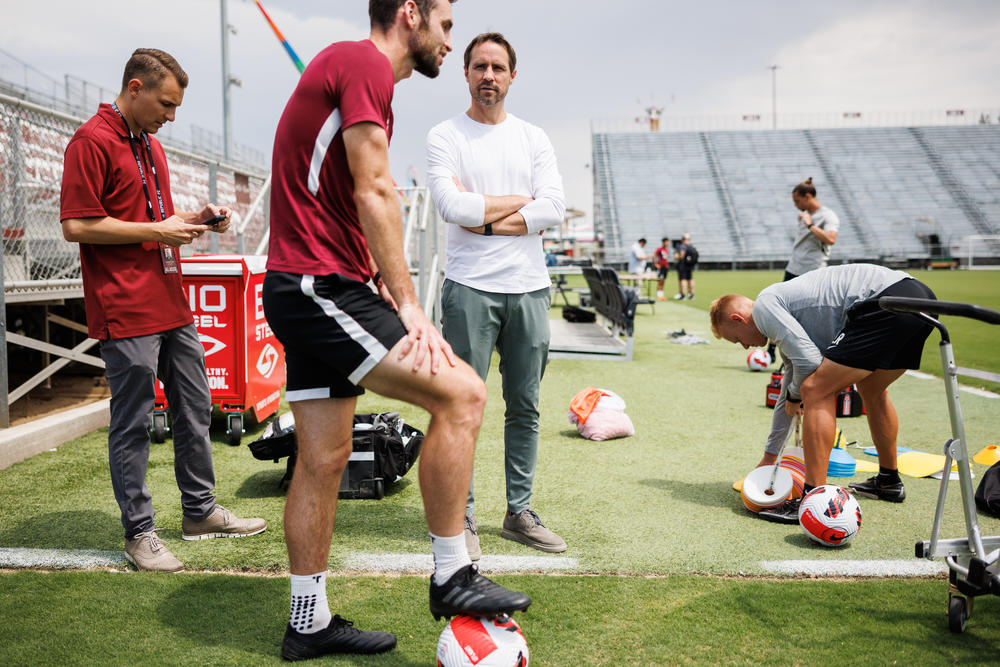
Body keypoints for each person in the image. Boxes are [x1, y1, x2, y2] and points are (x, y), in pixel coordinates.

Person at [263, 2, 530, 659]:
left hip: (317, 283)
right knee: (463, 394)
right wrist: (409, 303)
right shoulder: (361, 63)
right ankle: (452, 572)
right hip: (316, 286)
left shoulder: (365, 81)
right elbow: (375, 188)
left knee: (324, 458)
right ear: (409, 13)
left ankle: (308, 621)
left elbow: (346, 194)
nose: (450, 40)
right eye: (445, 24)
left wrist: (379, 280)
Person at [59, 48, 266, 573]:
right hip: (124, 306)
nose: (171, 117)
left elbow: (152, 218)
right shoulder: (90, 141)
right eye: (166, 104)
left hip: (170, 301)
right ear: (135, 88)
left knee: (195, 408)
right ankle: (140, 533)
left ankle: (198, 512)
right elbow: (78, 226)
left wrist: (194, 219)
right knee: (131, 423)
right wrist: (158, 230)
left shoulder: (149, 144)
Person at [426, 32, 568, 561]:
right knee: (461, 407)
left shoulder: (533, 137)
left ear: (512, 76)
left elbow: (553, 205)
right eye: (480, 66)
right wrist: (517, 208)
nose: (489, 75)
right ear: (465, 73)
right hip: (469, 289)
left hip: (528, 289)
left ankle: (518, 512)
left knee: (525, 406)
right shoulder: (446, 135)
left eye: (498, 67)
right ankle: (459, 514)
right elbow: (451, 205)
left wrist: (488, 219)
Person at [709, 263, 937, 524]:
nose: (745, 346)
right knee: (872, 389)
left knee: (815, 390)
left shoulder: (764, 307)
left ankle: (811, 498)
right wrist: (770, 456)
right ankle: (888, 481)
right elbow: (790, 384)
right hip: (919, 296)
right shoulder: (784, 311)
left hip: (883, 303)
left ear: (738, 320)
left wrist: (797, 395)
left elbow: (806, 367)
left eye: (737, 339)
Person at [766, 177, 841, 360]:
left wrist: (810, 224)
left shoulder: (827, 215)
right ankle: (770, 351)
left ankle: (815, 354)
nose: (796, 205)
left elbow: (831, 239)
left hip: (813, 272)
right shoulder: (804, 214)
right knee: (779, 309)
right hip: (794, 268)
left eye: (797, 201)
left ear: (808, 196)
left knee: (808, 315)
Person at [673, 232, 697, 300]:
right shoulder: (691, 245)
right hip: (690, 265)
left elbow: (681, 255)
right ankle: (691, 294)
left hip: (683, 265)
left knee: (682, 279)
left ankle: (683, 295)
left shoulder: (682, 246)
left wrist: (676, 259)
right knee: (690, 279)